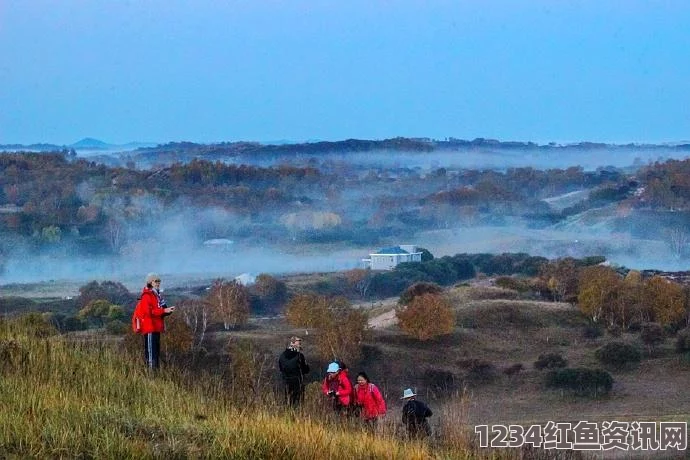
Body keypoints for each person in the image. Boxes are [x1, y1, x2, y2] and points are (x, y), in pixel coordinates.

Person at [132, 273, 176, 370]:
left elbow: (161, 310)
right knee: (151, 354)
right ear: (150, 282)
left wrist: (167, 311)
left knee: (156, 353)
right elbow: (148, 312)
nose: (158, 283)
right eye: (155, 281)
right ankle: (151, 376)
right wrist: (164, 311)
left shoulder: (157, 295)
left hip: (156, 327)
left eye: (159, 281)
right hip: (149, 328)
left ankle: (155, 374)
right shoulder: (146, 295)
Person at [278, 336, 310, 407]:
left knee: (288, 401)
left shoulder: (282, 356)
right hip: (298, 382)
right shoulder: (299, 356)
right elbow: (306, 369)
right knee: (298, 403)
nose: (300, 344)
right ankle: (298, 416)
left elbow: (280, 368)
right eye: (299, 342)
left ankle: (288, 415)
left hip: (286, 381)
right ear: (293, 343)